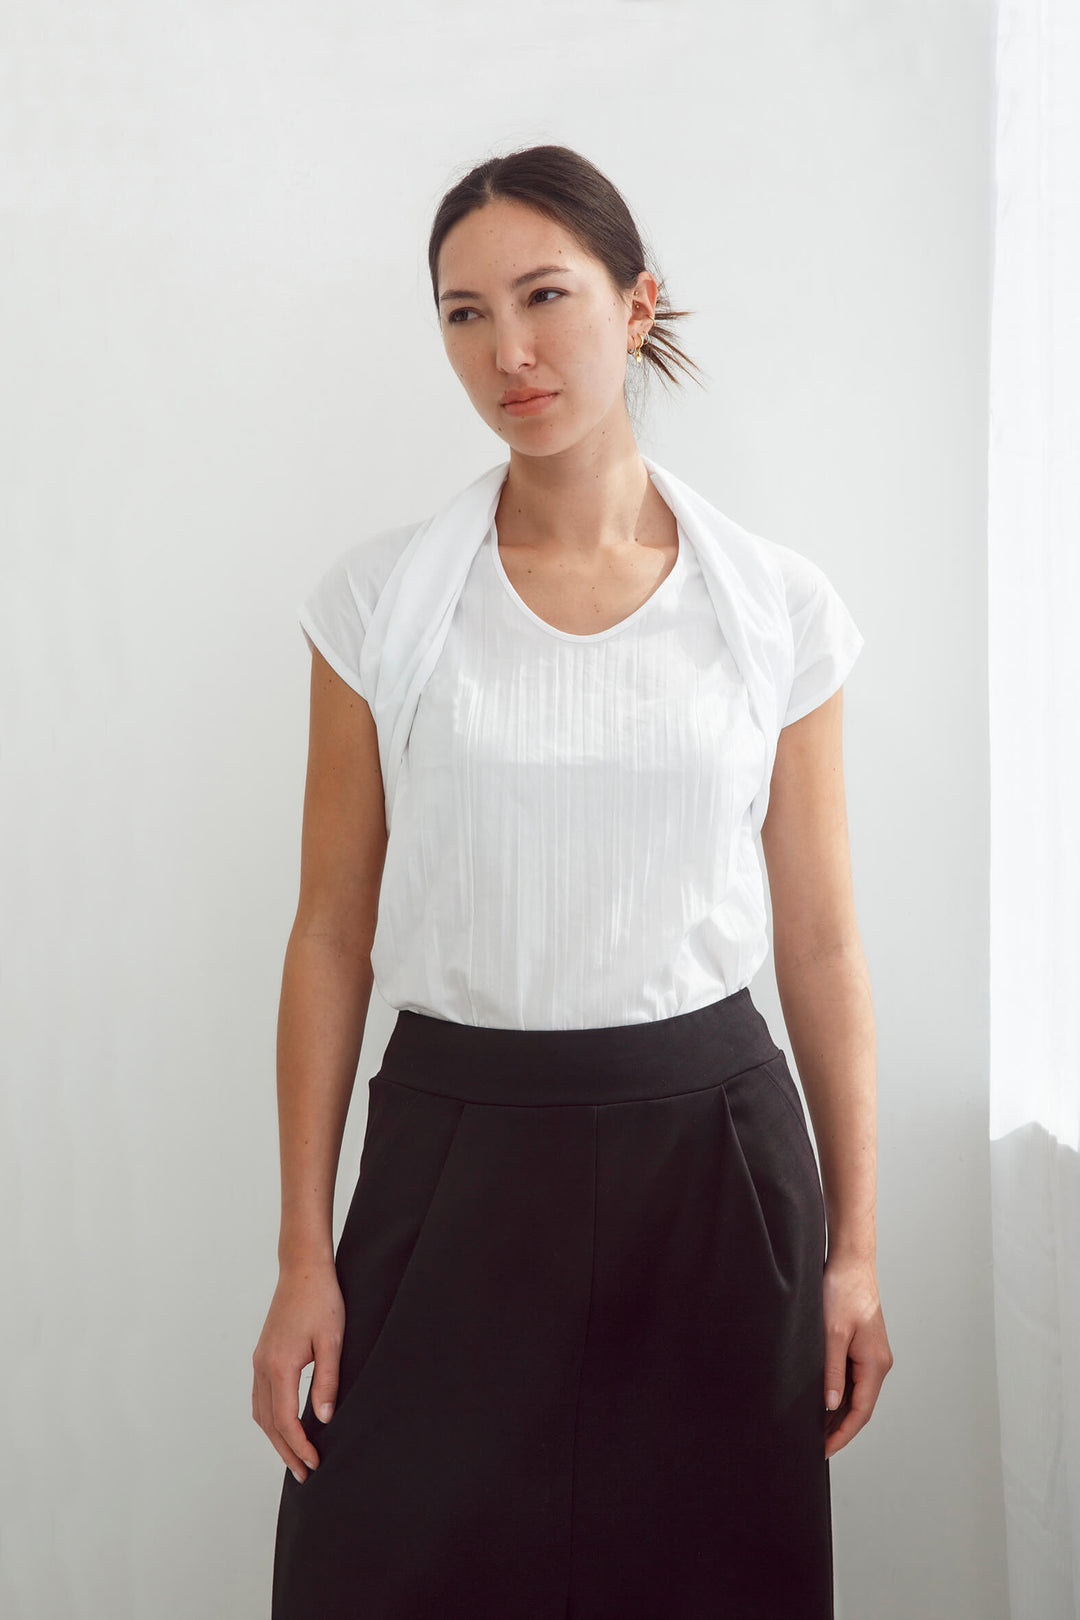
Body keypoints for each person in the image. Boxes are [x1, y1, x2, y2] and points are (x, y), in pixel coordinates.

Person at [254, 143, 893, 1620]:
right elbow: (330, 932)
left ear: (636, 301)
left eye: (546, 297)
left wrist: (854, 1248)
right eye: (464, 314)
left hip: (716, 1169)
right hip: (450, 1157)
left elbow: (825, 941)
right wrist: (303, 1246)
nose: (510, 350)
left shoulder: (776, 608)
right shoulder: (377, 605)